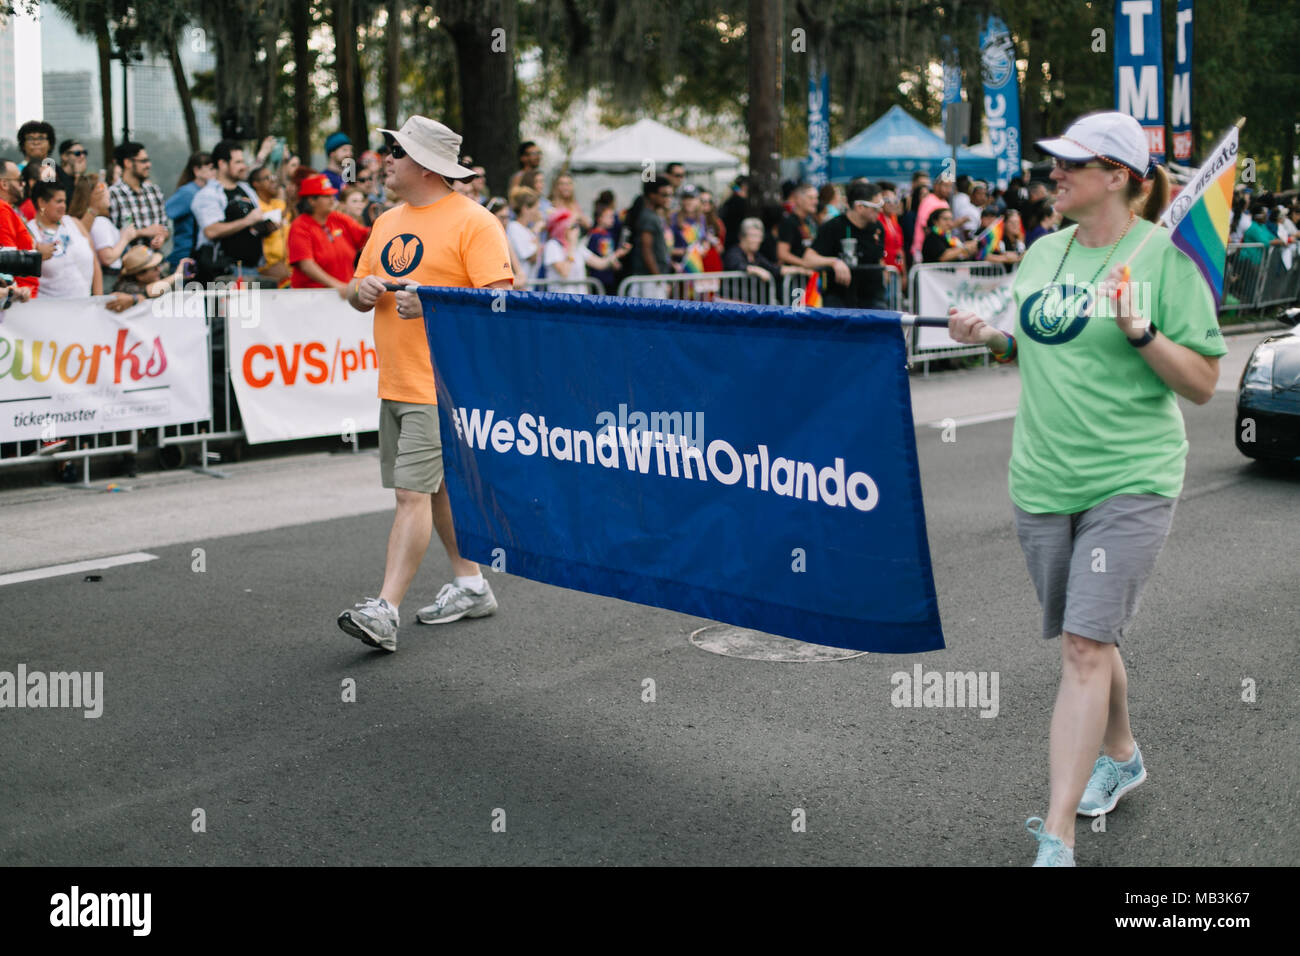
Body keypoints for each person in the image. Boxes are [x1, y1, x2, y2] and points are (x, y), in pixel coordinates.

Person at [946, 110, 1226, 868]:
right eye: (1054, 162)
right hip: (1041, 478)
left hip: (1129, 479)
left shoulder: (1164, 260)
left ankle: (1057, 836)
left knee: (1081, 645)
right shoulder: (1042, 253)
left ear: (1118, 177)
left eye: (1072, 163)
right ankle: (1124, 754)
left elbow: (1203, 382)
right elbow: (1036, 350)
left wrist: (1141, 330)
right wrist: (991, 338)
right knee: (1091, 638)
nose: (1054, 174)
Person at [337, 115, 514, 652]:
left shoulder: (475, 222)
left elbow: (501, 304)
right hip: (396, 380)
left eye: (395, 151)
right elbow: (352, 286)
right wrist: (359, 291)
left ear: (427, 167)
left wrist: (436, 307)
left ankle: (384, 609)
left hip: (439, 386)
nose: (385, 159)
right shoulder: (387, 221)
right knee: (435, 491)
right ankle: (471, 585)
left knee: (411, 492)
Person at [803, 181, 890, 308]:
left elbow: (879, 257)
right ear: (860, 207)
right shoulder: (833, 226)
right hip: (839, 298)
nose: (880, 211)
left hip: (873, 298)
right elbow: (808, 259)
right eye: (876, 207)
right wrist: (834, 262)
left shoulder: (878, 228)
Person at [192, 139, 267, 280]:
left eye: (243, 161)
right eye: (238, 162)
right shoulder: (208, 194)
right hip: (224, 272)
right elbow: (211, 230)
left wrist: (267, 225)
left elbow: (253, 223)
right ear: (222, 164)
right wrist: (246, 221)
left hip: (253, 268)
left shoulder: (246, 190)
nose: (244, 166)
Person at [287, 173, 369, 292]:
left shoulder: (337, 218)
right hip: (311, 296)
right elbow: (306, 265)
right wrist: (337, 286)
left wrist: (379, 222)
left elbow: (366, 236)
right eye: (326, 196)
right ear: (311, 201)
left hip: (344, 292)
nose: (332, 199)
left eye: (332, 194)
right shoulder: (300, 226)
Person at [26, 180, 99, 297]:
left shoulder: (74, 223)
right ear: (42, 203)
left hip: (85, 306)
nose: (63, 206)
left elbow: (95, 264)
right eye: (59, 201)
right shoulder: (29, 232)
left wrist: (97, 300)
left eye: (65, 201)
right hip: (50, 309)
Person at [542, 208, 626, 293]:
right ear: (563, 228)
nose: (577, 229)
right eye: (573, 226)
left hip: (578, 300)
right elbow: (564, 272)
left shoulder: (578, 247)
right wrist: (571, 245)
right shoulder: (553, 245)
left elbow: (600, 263)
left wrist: (617, 254)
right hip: (560, 300)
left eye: (577, 226)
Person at [108, 141, 169, 253]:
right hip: (127, 265)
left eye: (148, 160)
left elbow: (164, 228)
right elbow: (111, 235)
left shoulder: (154, 191)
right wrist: (144, 232)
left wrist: (161, 237)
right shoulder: (112, 194)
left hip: (156, 263)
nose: (148, 165)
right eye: (143, 161)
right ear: (128, 163)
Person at [0, 158, 42, 299]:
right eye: (19, 180)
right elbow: (7, 262)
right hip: (15, 302)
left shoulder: (9, 209)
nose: (23, 184)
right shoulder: (2, 209)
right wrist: (12, 292)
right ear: (4, 184)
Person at [165, 151, 214, 267]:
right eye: (210, 168)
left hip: (203, 256)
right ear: (197, 170)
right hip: (186, 257)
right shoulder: (188, 193)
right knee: (185, 285)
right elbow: (163, 213)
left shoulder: (211, 192)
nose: (214, 173)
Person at [626, 177, 674, 281]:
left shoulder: (653, 216)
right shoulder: (648, 217)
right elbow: (646, 249)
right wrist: (657, 277)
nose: (668, 199)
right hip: (649, 279)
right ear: (652, 195)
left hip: (652, 277)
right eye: (664, 195)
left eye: (670, 195)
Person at [250, 164, 291, 286]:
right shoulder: (255, 207)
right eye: (267, 178)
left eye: (273, 177)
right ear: (256, 184)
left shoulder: (279, 204)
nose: (273, 181)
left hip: (289, 265)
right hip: (267, 268)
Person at [113, 245, 190, 299]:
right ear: (139, 275)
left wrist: (181, 277)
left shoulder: (158, 278)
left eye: (158, 265)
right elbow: (148, 291)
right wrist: (177, 275)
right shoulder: (124, 287)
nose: (159, 269)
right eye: (155, 268)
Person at [911, 174, 954, 264]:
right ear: (936, 186)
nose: (948, 190)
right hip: (924, 249)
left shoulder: (944, 202)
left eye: (950, 186)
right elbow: (925, 226)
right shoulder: (928, 200)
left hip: (940, 248)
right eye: (945, 185)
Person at [721, 217, 780, 282]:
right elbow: (738, 265)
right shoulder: (733, 253)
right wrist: (757, 270)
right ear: (742, 236)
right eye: (754, 236)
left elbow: (772, 268)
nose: (758, 240)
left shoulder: (755, 255)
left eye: (760, 236)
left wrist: (792, 268)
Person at [487, 195, 529, 287]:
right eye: (502, 217)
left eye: (507, 217)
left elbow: (521, 276)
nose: (505, 222)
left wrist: (505, 284)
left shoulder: (505, 240)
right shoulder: (483, 241)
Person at [776, 183, 819, 268]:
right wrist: (803, 263)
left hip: (809, 276)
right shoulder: (789, 222)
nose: (815, 202)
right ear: (799, 199)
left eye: (816, 198)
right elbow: (782, 253)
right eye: (810, 198)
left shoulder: (810, 222)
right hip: (796, 277)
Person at [506, 186, 544, 281]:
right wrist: (537, 230)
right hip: (520, 288)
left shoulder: (527, 230)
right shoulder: (514, 228)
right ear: (525, 209)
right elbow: (532, 257)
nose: (538, 212)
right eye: (536, 208)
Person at [719, 175, 754, 250]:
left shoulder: (730, 199)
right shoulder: (738, 201)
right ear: (745, 187)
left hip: (728, 237)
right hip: (733, 239)